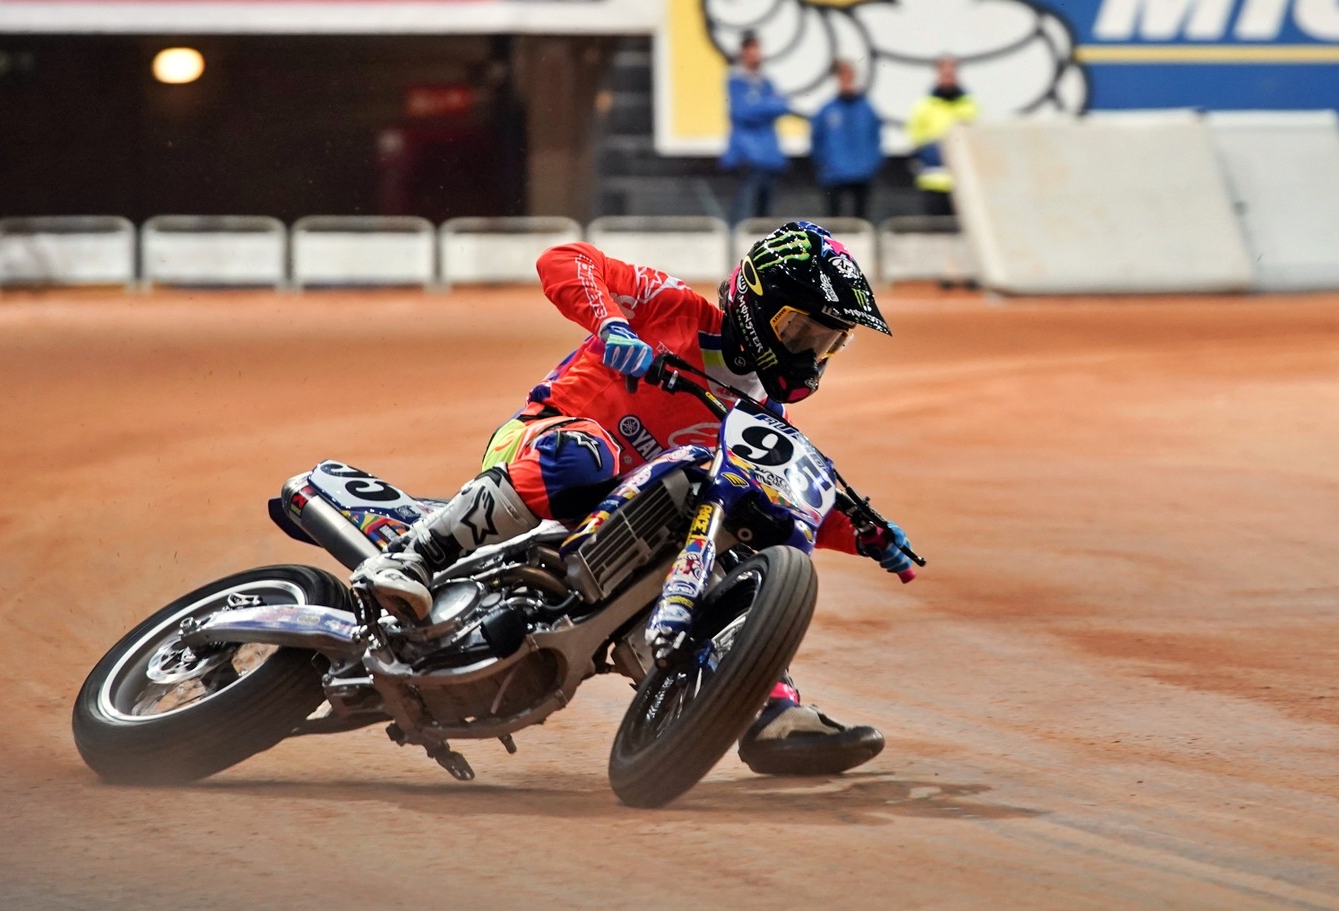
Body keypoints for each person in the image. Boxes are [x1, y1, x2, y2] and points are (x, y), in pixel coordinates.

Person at [354, 221, 915, 777]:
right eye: (799, 332)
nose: (808, 352)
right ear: (754, 302)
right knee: (588, 456)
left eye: (826, 341)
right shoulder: (671, 307)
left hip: (625, 529)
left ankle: (769, 712)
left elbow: (784, 503)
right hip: (545, 447)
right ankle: (414, 556)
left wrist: (862, 533)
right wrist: (613, 326)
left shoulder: (763, 419)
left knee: (736, 556)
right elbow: (564, 257)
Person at [720, 33, 791, 227]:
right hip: (748, 158)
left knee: (765, 219)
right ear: (743, 53)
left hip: (769, 159)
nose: (757, 55)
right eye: (752, 50)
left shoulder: (765, 83)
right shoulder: (736, 81)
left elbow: (783, 105)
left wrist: (760, 105)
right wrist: (768, 105)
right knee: (745, 216)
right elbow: (742, 111)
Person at [906, 56, 979, 217]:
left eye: (951, 73)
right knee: (934, 232)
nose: (948, 77)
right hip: (932, 181)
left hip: (962, 183)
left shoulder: (969, 105)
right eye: (944, 73)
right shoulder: (924, 106)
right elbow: (915, 138)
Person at [810, 59, 884, 219]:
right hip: (834, 175)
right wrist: (825, 166)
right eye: (842, 76)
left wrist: (871, 165)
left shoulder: (866, 109)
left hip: (862, 175)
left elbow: (875, 138)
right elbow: (817, 140)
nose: (846, 80)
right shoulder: (827, 110)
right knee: (834, 221)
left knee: (861, 220)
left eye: (849, 75)